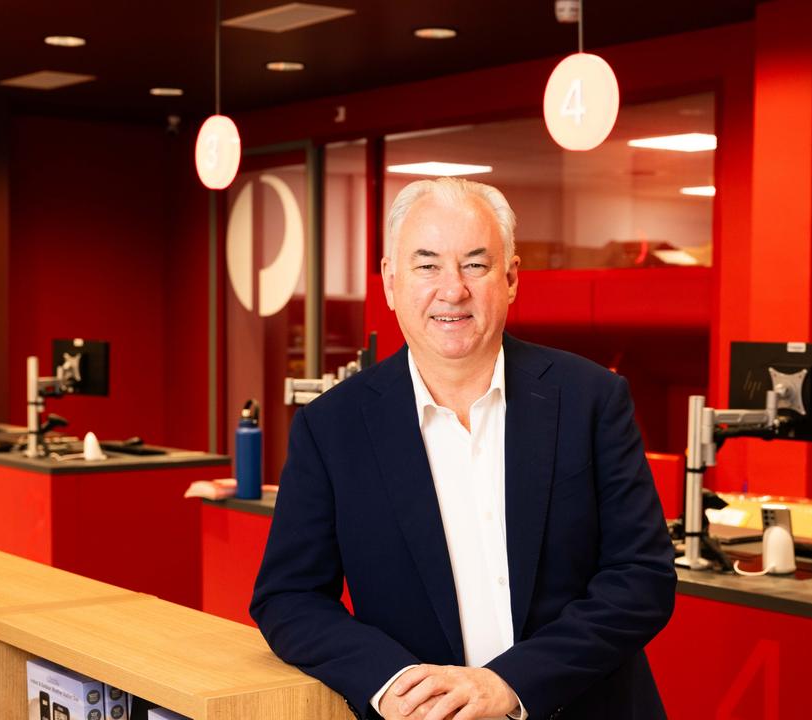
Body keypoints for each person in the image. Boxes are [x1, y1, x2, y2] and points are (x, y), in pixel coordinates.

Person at [250, 177, 676, 720]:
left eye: (475, 264)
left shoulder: (590, 398)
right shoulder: (332, 426)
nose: (452, 290)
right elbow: (288, 597)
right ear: (389, 279)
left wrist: (511, 684)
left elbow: (642, 578)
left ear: (512, 277)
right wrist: (390, 680)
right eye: (427, 265)